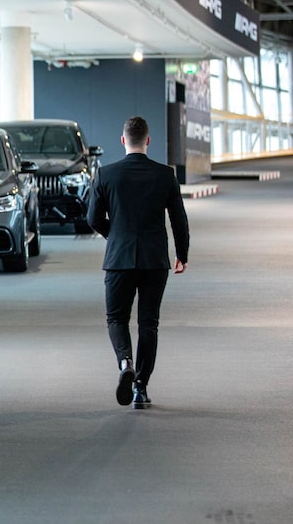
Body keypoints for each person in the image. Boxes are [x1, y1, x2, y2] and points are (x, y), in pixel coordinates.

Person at [86, 116, 189, 409]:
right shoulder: (164, 175)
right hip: (155, 260)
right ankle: (140, 387)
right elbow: (179, 219)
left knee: (116, 319)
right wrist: (182, 253)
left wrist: (115, 236)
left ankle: (125, 363)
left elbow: (93, 218)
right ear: (148, 140)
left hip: (119, 259)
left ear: (122, 141)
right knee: (149, 323)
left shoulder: (106, 175)